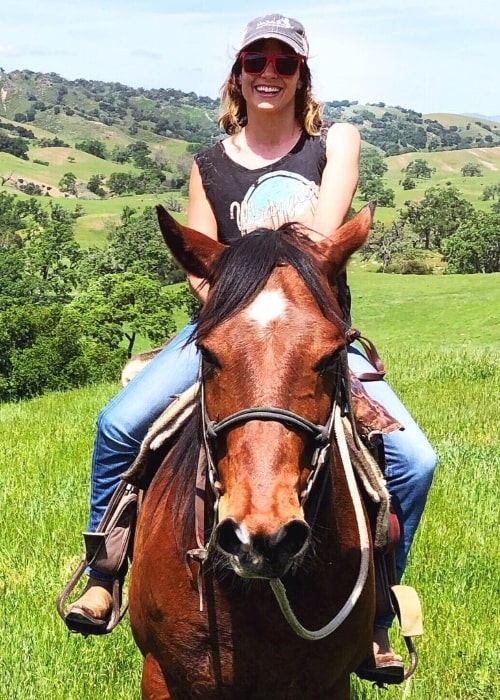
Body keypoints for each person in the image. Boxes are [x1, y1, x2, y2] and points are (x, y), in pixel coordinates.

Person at [64, 13, 436, 684]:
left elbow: (318, 252)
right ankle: (105, 570)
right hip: (230, 327)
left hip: (310, 334)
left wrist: (270, 305)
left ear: (301, 75)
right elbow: (198, 266)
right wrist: (232, 316)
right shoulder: (210, 163)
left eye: (283, 63)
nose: (269, 72)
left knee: (415, 459)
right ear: (238, 74)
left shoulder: (335, 145)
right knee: (118, 424)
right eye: (255, 61)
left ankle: (377, 607)